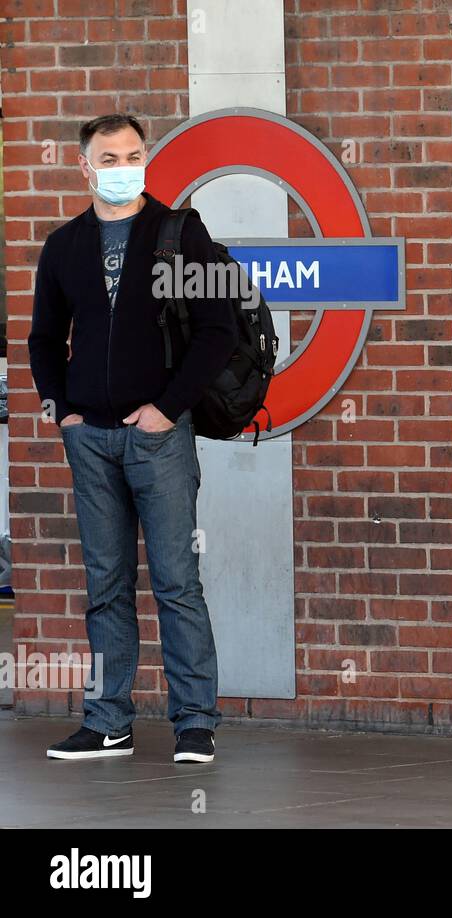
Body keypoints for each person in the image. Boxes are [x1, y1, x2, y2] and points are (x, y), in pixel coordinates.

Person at [29, 113, 237, 763]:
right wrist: (61, 408)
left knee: (176, 580)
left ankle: (195, 722)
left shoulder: (178, 233)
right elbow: (43, 337)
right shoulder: (64, 247)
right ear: (85, 167)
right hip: (89, 439)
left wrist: (167, 409)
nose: (124, 167)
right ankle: (108, 720)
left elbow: (218, 330)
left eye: (134, 154)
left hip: (158, 439)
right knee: (107, 585)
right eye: (110, 158)